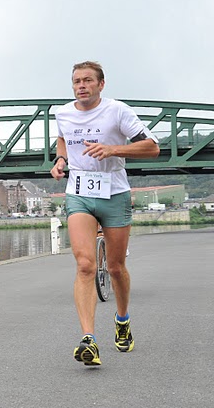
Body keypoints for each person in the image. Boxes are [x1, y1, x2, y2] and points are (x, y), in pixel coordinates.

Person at [51, 61, 159, 366]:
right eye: (76, 81)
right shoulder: (62, 113)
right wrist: (60, 160)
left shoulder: (118, 111)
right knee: (85, 264)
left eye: (87, 80)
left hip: (114, 193)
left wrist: (113, 150)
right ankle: (89, 339)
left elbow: (152, 147)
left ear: (101, 84)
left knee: (115, 267)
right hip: (80, 193)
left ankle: (122, 320)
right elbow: (63, 138)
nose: (81, 86)